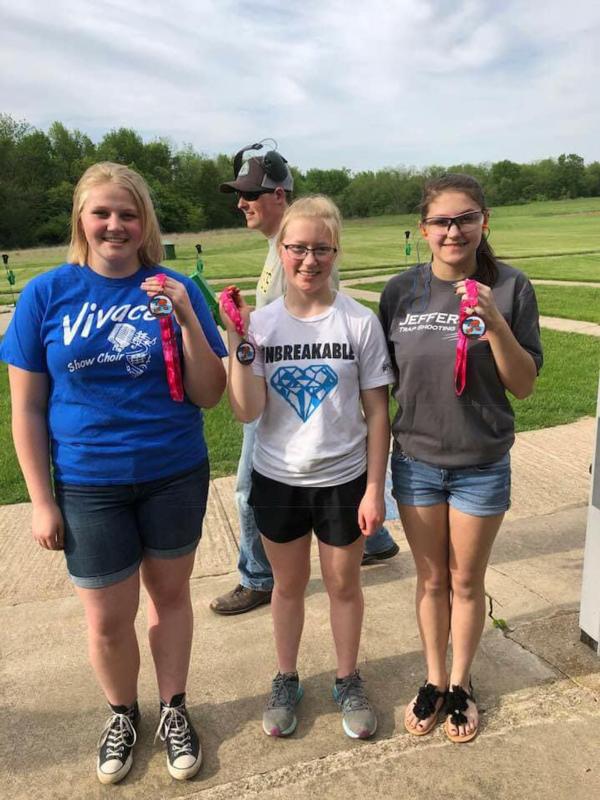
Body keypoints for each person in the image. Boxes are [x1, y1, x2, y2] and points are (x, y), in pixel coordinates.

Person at [0, 162, 227, 783]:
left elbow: (210, 394)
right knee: (106, 617)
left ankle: (174, 707)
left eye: (128, 214)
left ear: (143, 221)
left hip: (173, 471)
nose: (115, 225)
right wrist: (40, 501)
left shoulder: (174, 286)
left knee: (171, 598)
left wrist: (185, 318)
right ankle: (122, 714)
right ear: (82, 219)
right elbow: (27, 407)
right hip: (87, 481)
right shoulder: (47, 294)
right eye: (102, 212)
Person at [220, 194, 394, 738]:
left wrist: (374, 491)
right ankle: (287, 676)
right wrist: (237, 342)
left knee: (344, 587)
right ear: (283, 250)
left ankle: (347, 678)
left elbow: (377, 413)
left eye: (321, 249)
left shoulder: (359, 323)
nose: (309, 260)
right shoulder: (262, 326)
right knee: (287, 588)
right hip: (279, 481)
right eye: (297, 248)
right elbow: (247, 410)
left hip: (342, 480)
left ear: (336, 252)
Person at [379, 173, 543, 743]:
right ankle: (432, 680)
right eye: (441, 221)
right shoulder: (401, 292)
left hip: (481, 462)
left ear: (483, 222)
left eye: (465, 218)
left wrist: (495, 319)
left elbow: (522, 384)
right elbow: (385, 384)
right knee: (429, 580)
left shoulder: (513, 287)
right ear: (423, 230)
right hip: (417, 460)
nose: (453, 231)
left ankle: (461, 683)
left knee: (466, 581)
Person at [210, 146, 398, 616]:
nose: (241, 203)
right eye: (238, 194)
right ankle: (367, 540)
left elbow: (337, 352)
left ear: (278, 194)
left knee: (247, 489)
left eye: (249, 193)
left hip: (303, 424)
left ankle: (257, 576)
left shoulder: (301, 258)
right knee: (263, 490)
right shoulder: (275, 253)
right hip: (274, 411)